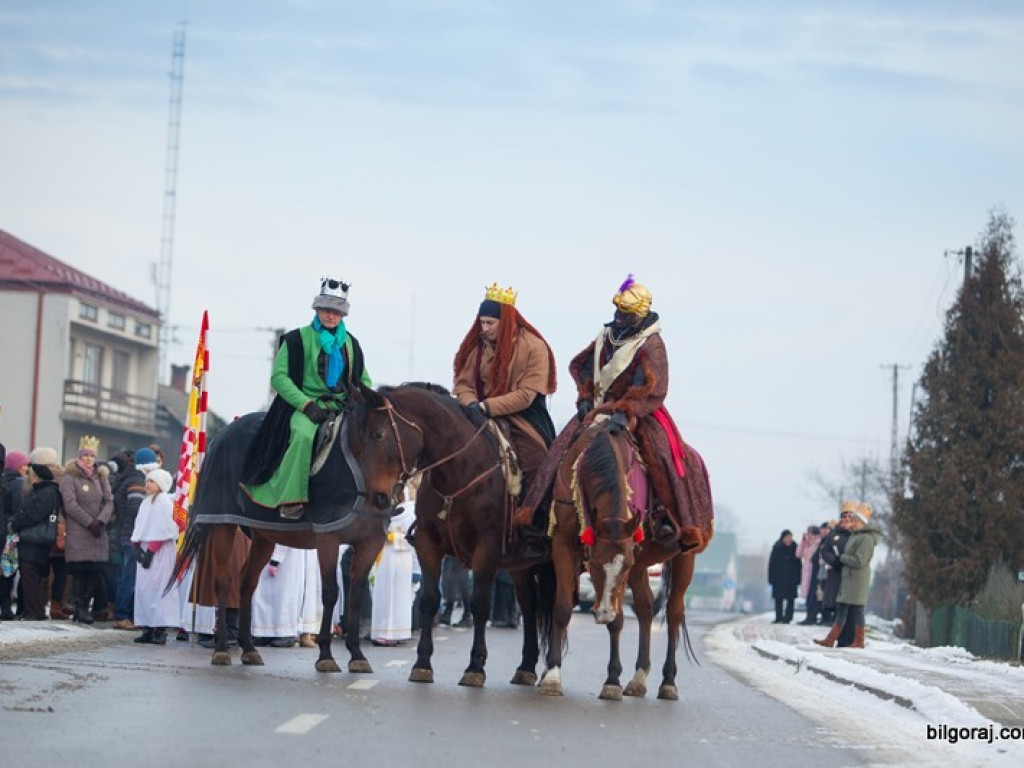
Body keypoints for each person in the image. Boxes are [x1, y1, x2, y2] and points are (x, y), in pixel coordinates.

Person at [519, 275, 713, 552]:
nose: (619, 317)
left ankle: (670, 520)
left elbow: (651, 385)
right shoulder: (607, 335)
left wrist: (626, 409)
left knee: (663, 456)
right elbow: (585, 367)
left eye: (625, 313)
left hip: (639, 411)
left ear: (639, 314)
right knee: (558, 452)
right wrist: (585, 397)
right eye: (618, 311)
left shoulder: (652, 344)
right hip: (598, 407)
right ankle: (538, 515)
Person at [240, 278, 372, 518]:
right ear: (317, 310)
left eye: (336, 312)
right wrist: (306, 404)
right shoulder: (295, 339)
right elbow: (279, 378)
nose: (331, 316)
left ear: (343, 315)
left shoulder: (353, 344)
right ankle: (292, 499)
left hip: (342, 407)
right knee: (302, 435)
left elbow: (364, 381)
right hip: (304, 407)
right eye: (326, 310)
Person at [453, 282, 557, 534]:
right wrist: (471, 406)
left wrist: (486, 407)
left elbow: (526, 395)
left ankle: (536, 524)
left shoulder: (534, 346)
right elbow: (463, 384)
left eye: (490, 323)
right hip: (476, 413)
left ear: (506, 320)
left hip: (523, 416)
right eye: (482, 322)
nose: (484, 328)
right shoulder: (476, 348)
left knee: (539, 463)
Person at [60, 435, 113, 624]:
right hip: (80, 531)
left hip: (98, 532)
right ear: (80, 457)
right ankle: (80, 608)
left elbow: (109, 500)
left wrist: (101, 520)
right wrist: (89, 522)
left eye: (92, 456)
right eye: (86, 455)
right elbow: (70, 504)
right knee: (81, 571)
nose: (89, 459)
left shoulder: (101, 475)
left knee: (94, 571)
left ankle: (85, 606)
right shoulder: (70, 477)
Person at [7, 448, 63, 620]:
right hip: (37, 540)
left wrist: (15, 524)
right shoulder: (47, 491)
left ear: (37, 476)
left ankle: (35, 611)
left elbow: (32, 514)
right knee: (34, 578)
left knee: (30, 577)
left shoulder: (45, 492)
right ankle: (33, 610)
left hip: (34, 541)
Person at [815, 502, 881, 649]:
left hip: (856, 578)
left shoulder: (865, 538)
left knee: (855, 610)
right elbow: (827, 549)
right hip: (849, 577)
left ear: (862, 522)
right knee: (843, 608)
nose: (852, 522)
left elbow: (859, 560)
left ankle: (856, 640)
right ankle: (833, 639)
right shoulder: (856, 535)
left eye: (855, 520)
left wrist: (842, 558)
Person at [129, 468, 180, 644]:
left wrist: (151, 550)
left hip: (159, 553)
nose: (147, 484)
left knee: (159, 589)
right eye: (147, 481)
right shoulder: (146, 502)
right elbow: (140, 526)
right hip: (144, 550)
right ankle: (147, 627)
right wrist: (136, 546)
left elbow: (164, 528)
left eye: (152, 481)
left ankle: (160, 629)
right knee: (145, 590)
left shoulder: (165, 502)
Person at [110, 448, 156, 630]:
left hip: (127, 533)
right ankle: (122, 615)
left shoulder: (130, 477)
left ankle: (126, 614)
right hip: (133, 536)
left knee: (127, 575)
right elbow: (136, 508)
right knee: (130, 577)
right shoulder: (138, 481)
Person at [369, 490, 417, 646]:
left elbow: (413, 536)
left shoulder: (410, 510)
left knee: (399, 596)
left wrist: (394, 538)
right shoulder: (383, 510)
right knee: (381, 594)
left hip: (402, 558)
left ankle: (397, 631)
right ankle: (380, 631)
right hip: (383, 558)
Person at [1, 450, 30, 619]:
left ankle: (5, 607)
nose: (27, 469)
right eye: (25, 465)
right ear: (18, 467)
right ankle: (9, 609)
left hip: (3, 529)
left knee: (5, 571)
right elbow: (19, 510)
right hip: (12, 533)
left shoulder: (5, 480)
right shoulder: (20, 484)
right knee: (9, 571)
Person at [767, 529, 800, 624]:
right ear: (783, 538)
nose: (789, 539)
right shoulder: (777, 547)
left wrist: (798, 578)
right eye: (787, 537)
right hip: (778, 578)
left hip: (791, 578)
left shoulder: (795, 547)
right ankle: (778, 617)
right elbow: (772, 564)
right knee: (778, 598)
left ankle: (788, 617)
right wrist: (771, 578)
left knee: (790, 599)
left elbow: (798, 565)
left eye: (790, 537)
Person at [796, 523, 822, 624]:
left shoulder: (818, 543)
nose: (809, 535)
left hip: (815, 571)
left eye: (810, 533)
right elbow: (798, 554)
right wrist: (803, 542)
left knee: (814, 595)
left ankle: (812, 616)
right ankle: (808, 616)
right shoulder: (806, 543)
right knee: (808, 595)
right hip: (806, 571)